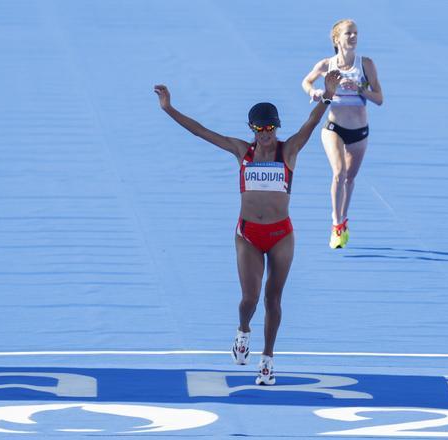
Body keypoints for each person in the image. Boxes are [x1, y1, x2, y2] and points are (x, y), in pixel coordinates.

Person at [154, 70, 341, 385]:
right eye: (259, 129)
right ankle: (243, 332)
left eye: (270, 128)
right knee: (249, 299)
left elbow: (310, 123)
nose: (265, 134)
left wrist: (326, 95)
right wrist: (169, 108)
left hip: (281, 235)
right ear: (252, 130)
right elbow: (202, 131)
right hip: (248, 236)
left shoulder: (289, 151)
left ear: (276, 128)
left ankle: (267, 360)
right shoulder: (243, 151)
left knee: (274, 299)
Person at [302, 19, 384, 249]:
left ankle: (344, 218)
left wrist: (359, 89)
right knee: (339, 173)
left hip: (359, 131)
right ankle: (336, 224)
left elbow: (379, 99)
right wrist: (316, 91)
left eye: (356, 33)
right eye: (349, 33)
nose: (354, 37)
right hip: (333, 128)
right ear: (337, 39)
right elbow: (306, 81)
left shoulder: (366, 64)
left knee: (350, 178)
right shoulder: (327, 65)